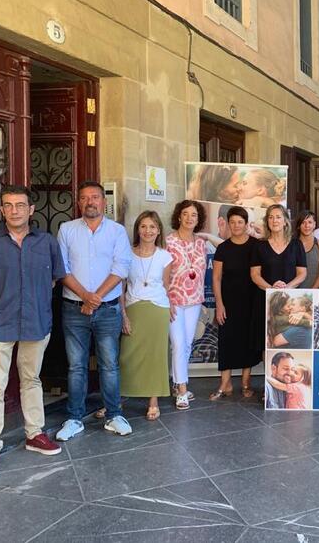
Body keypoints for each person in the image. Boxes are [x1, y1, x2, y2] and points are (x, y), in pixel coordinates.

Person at [0, 185, 66, 478]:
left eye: (20, 205)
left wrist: (30, 304)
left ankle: (34, 434)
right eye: (8, 205)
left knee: (31, 380)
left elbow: (52, 281)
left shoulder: (47, 242)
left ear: (31, 210)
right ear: (1, 210)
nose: (14, 211)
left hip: (35, 323)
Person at [55, 181, 133, 441]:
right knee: (76, 366)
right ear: (79, 202)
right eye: (85, 197)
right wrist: (86, 297)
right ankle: (74, 418)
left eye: (95, 197)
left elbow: (121, 268)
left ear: (103, 201)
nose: (90, 201)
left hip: (108, 310)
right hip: (74, 309)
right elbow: (62, 269)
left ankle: (114, 415)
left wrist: (95, 298)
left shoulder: (117, 231)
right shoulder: (66, 229)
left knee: (109, 365)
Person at [119, 211, 173, 421]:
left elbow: (166, 285)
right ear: (137, 229)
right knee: (126, 356)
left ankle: (153, 401)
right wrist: (123, 314)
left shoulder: (165, 256)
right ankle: (117, 400)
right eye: (143, 226)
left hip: (158, 309)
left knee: (156, 356)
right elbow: (121, 287)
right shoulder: (127, 254)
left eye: (152, 227)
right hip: (133, 307)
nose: (147, 231)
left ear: (158, 230)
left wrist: (171, 305)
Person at [210, 206, 262, 400]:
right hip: (228, 302)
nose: (236, 225)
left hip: (252, 301)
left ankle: (246, 382)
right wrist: (219, 304)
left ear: (246, 224)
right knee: (227, 341)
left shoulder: (256, 246)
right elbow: (216, 278)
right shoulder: (223, 248)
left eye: (240, 222)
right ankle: (225, 383)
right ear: (227, 224)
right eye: (232, 222)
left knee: (248, 342)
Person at [251, 205, 307, 362]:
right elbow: (254, 275)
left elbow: (302, 273)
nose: (274, 220)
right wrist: (271, 289)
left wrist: (286, 288)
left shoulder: (296, 244)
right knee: (267, 343)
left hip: (290, 303)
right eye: (270, 217)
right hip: (265, 301)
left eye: (278, 217)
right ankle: (268, 377)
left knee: (287, 341)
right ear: (267, 222)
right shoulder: (259, 245)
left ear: (285, 221)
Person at [166, 200, 208, 410]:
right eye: (186, 213)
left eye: (194, 215)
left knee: (188, 344)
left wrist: (207, 236)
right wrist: (166, 300)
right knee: (178, 344)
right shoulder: (168, 242)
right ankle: (182, 390)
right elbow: (161, 274)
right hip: (174, 300)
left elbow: (222, 244)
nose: (190, 218)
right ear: (179, 216)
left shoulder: (201, 243)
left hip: (194, 301)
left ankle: (177, 382)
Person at [296, 210, 319, 289]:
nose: (307, 226)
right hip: (294, 291)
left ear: (314, 224)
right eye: (303, 223)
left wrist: (312, 292)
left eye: (310, 222)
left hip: (315, 291)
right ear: (299, 226)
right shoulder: (292, 245)